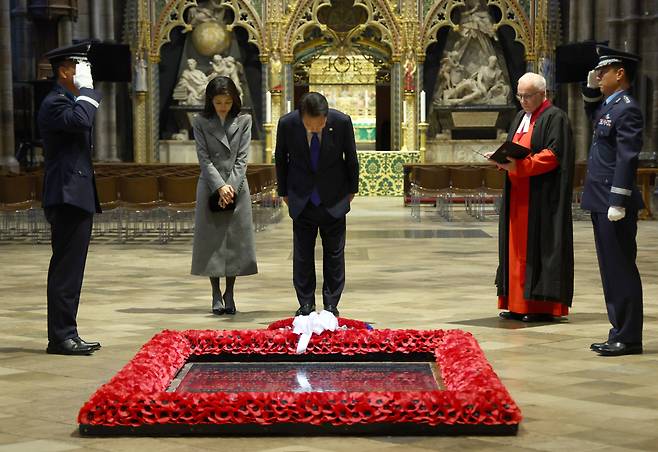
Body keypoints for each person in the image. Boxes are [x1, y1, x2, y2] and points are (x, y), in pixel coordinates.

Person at [492, 72, 574, 323]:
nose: (523, 101)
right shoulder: (520, 117)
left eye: (528, 96)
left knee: (538, 248)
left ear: (543, 94)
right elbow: (513, 145)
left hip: (541, 197)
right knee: (515, 249)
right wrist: (501, 159)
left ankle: (540, 306)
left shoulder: (555, 117)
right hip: (518, 195)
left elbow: (552, 155)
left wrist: (519, 167)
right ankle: (516, 304)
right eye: (520, 96)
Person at [38, 46, 103, 355]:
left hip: (74, 195)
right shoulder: (55, 102)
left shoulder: (65, 101)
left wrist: (85, 93)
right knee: (65, 270)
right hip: (66, 196)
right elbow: (81, 121)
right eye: (79, 66)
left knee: (72, 270)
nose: (84, 72)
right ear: (64, 71)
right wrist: (88, 90)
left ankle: (68, 332)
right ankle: (61, 336)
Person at [581, 46, 644, 356]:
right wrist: (591, 90)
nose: (598, 75)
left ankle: (629, 336)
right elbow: (593, 114)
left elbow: (626, 157)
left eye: (603, 72)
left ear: (620, 74)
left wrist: (618, 200)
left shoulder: (628, 108)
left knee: (621, 268)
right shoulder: (610, 106)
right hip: (600, 198)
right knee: (610, 269)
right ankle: (618, 330)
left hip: (613, 200)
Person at [275, 92, 359, 317]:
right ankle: (306, 303)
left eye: (320, 124)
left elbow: (351, 156)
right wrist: (283, 191)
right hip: (301, 198)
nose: (316, 128)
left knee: (334, 254)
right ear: (302, 117)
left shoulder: (341, 122)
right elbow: (281, 158)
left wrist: (352, 190)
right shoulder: (287, 124)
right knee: (302, 254)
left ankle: (331, 304)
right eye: (311, 125)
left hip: (334, 198)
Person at [190, 76, 257, 315]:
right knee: (212, 242)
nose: (223, 106)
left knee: (234, 243)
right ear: (211, 100)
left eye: (227, 102)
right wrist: (219, 186)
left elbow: (242, 158)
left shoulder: (244, 120)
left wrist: (230, 186)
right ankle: (215, 293)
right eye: (218, 102)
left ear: (234, 100)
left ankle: (230, 292)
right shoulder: (199, 121)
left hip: (237, 187)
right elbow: (204, 158)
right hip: (210, 186)